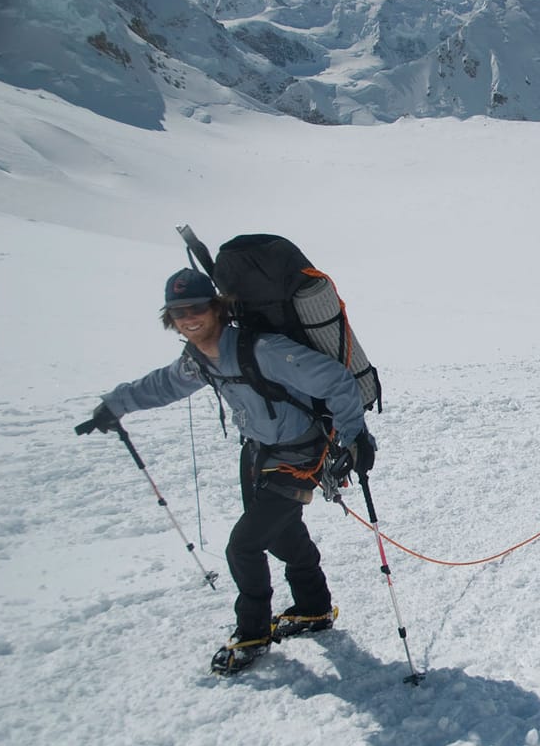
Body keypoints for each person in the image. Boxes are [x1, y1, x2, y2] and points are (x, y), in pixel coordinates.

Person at [80, 268, 376, 675]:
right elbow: (164, 385)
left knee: (243, 546)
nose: (189, 318)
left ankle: (252, 634)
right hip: (259, 455)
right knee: (283, 535)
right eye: (178, 311)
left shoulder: (263, 351)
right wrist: (115, 405)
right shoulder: (199, 360)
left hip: (300, 458)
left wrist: (354, 437)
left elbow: (336, 380)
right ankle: (313, 608)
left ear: (216, 308)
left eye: (197, 307)